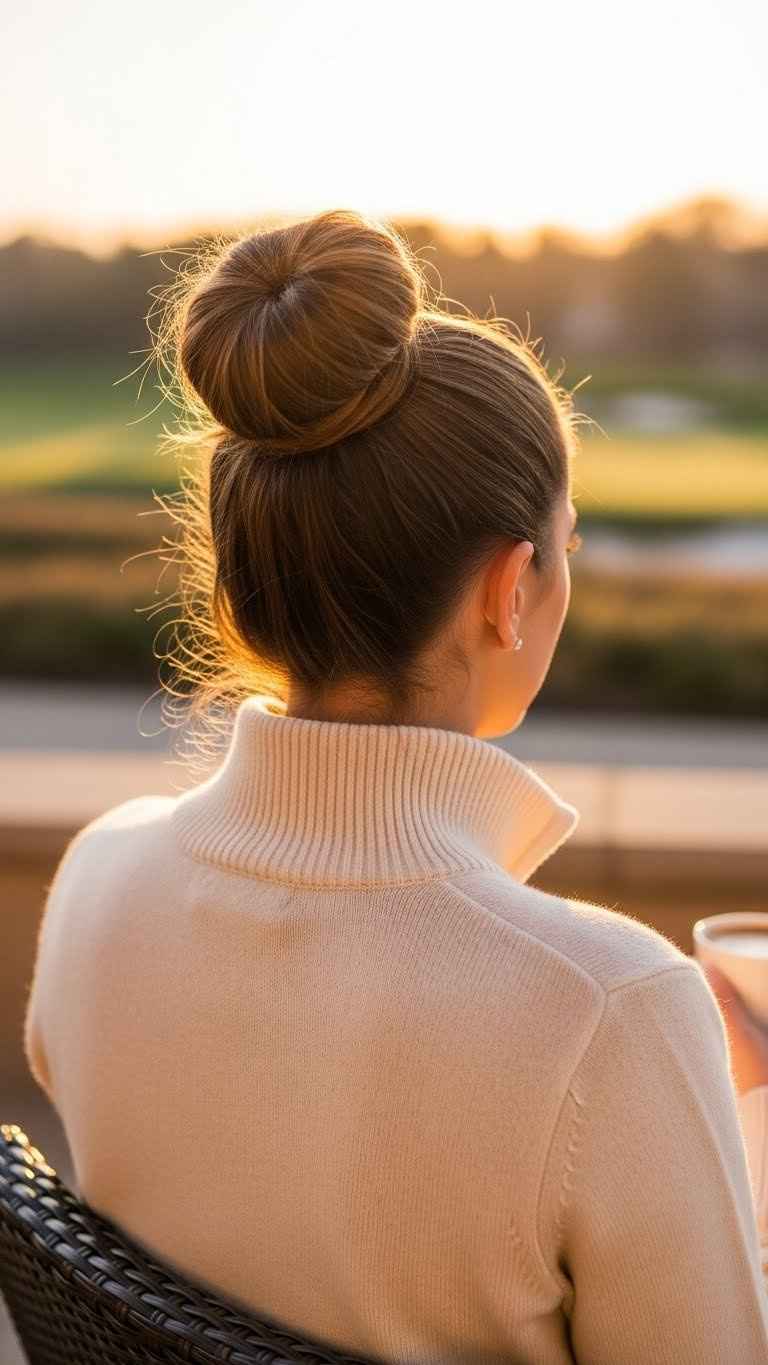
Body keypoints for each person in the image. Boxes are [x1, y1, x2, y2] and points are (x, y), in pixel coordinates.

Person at [23, 208, 768, 1364]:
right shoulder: (616, 1010)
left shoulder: (95, 878)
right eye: (565, 548)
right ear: (509, 589)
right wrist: (736, 1122)